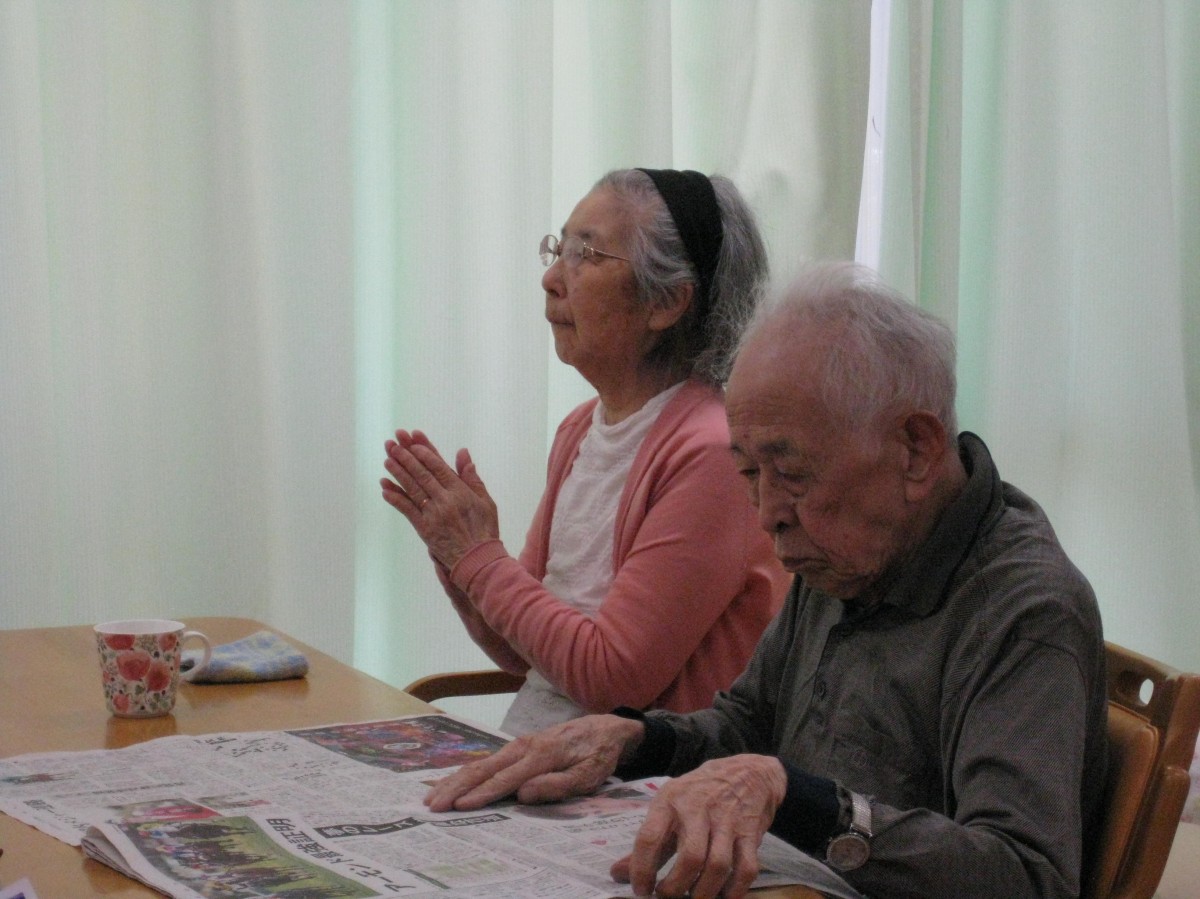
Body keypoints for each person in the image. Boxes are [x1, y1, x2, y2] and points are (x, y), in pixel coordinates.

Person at [422, 262, 1109, 899]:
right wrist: (629, 741)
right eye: (750, 473)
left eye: (793, 472)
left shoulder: (1025, 607)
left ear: (916, 449)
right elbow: (748, 721)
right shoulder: (849, 549)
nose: (768, 514)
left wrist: (803, 800)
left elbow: (1026, 875)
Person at [381, 168, 789, 736]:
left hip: (641, 777)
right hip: (542, 753)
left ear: (666, 302)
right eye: (558, 249)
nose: (551, 279)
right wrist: (457, 552)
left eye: (585, 254)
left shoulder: (714, 452)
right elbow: (521, 651)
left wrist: (479, 556)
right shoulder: (580, 429)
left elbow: (611, 679)